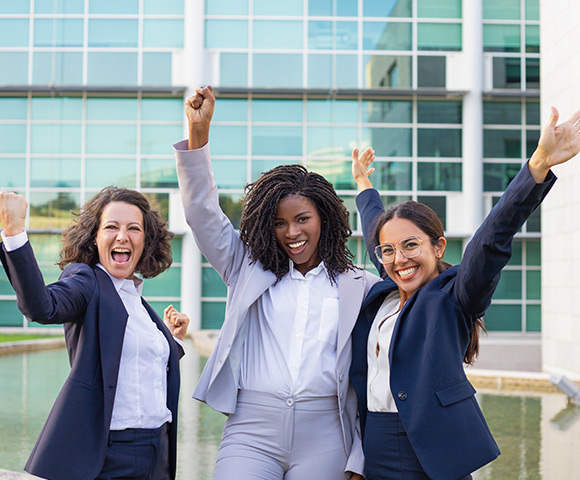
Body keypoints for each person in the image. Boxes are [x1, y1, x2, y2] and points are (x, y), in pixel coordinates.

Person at [349, 106, 580, 480]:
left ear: (438, 247)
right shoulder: (388, 290)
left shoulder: (453, 296)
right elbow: (376, 224)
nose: (399, 259)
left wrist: (537, 166)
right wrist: (363, 185)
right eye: (388, 251)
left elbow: (492, 240)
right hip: (374, 446)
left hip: (431, 451)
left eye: (411, 246)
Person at [173, 85, 379, 480]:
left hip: (327, 433)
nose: (292, 232)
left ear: (325, 219)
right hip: (252, 428)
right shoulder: (245, 266)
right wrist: (199, 136)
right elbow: (201, 212)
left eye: (303, 219)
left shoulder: (360, 284)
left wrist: (359, 456)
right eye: (280, 222)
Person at [0, 187, 190, 480]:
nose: (123, 236)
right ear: (95, 237)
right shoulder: (86, 283)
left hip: (158, 452)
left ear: (146, 240)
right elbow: (42, 307)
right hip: (110, 453)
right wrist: (14, 232)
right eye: (111, 227)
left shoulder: (138, 303)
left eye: (134, 228)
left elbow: (132, 362)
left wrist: (170, 341)